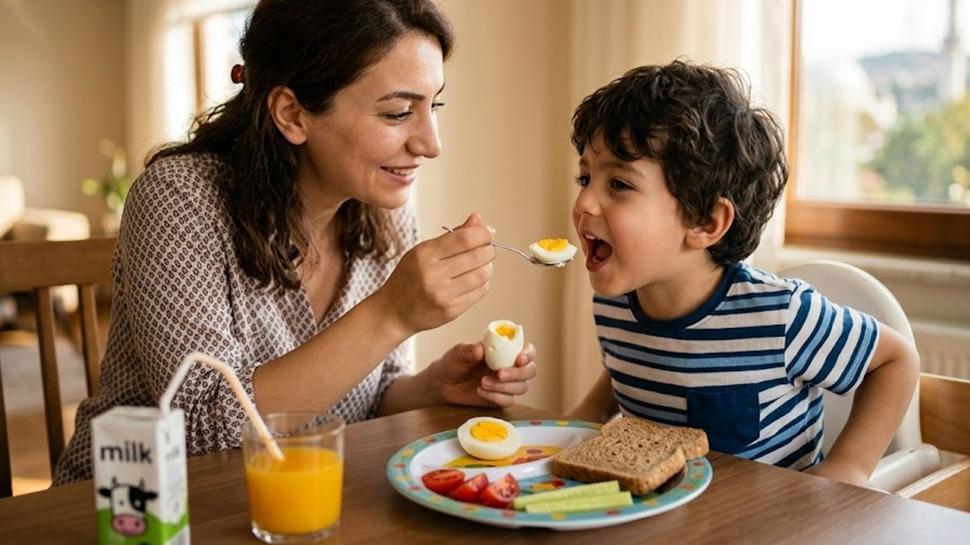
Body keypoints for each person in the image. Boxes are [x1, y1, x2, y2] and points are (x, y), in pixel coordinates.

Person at [54, 0, 537, 484]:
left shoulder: (385, 222)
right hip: (132, 511)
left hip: (297, 502)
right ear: (292, 113)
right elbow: (202, 433)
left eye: (434, 106)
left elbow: (366, 393)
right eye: (397, 113)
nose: (431, 144)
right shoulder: (180, 199)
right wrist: (391, 314)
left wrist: (433, 387)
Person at [565, 60, 919, 487]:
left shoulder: (782, 316)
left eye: (618, 184)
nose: (585, 202)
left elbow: (897, 361)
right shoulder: (614, 303)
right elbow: (634, 361)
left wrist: (850, 466)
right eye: (585, 177)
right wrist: (587, 414)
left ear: (706, 223)